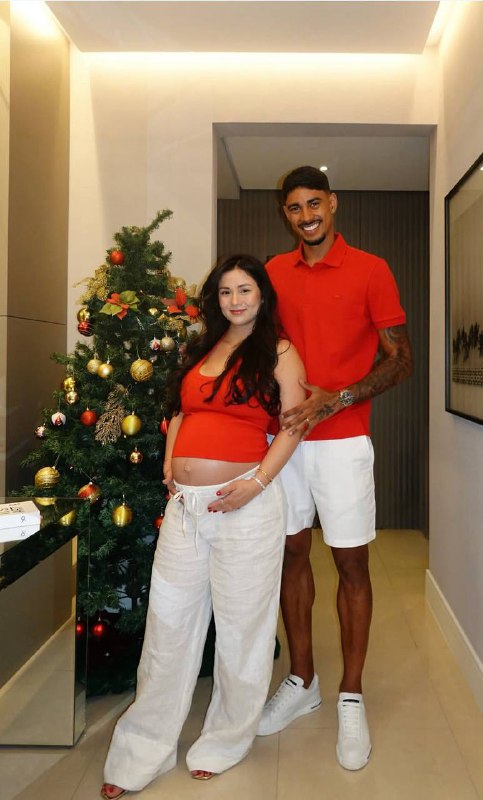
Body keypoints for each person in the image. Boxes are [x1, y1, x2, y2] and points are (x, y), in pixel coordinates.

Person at [100, 255, 305, 799]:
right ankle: (143, 748)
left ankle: (225, 739)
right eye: (225, 291)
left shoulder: (280, 352)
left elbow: (294, 425)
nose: (235, 300)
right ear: (215, 298)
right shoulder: (201, 349)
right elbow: (182, 413)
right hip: (187, 510)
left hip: (246, 508)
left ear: (263, 295)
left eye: (245, 289)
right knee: (167, 627)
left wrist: (257, 482)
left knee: (242, 630)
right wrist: (171, 461)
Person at [258, 166, 413, 771]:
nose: (306, 216)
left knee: (352, 562)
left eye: (314, 204)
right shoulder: (273, 272)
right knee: (291, 554)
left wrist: (338, 398)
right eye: (295, 208)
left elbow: (401, 361)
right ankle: (303, 680)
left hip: (344, 439)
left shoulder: (371, 269)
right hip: (284, 439)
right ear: (287, 215)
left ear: (333, 203)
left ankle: (351, 693)